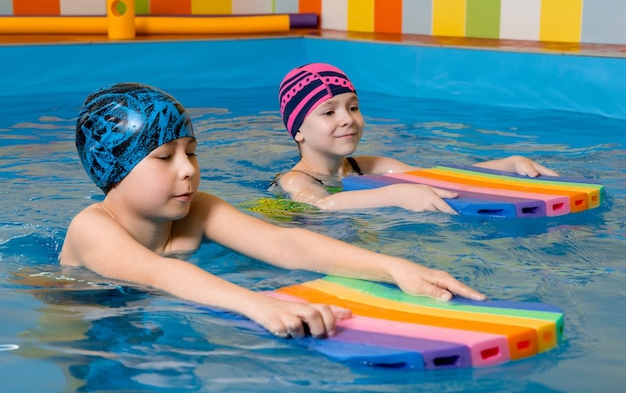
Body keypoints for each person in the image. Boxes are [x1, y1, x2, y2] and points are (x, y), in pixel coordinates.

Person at [60, 83, 486, 340]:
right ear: (113, 168)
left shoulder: (199, 210)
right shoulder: (92, 227)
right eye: (163, 157)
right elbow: (161, 274)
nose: (188, 170)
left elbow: (284, 243)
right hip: (82, 313)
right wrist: (258, 304)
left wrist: (393, 267)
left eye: (191, 153)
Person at [274, 62, 559, 212]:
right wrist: (395, 194)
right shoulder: (294, 180)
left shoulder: (371, 166)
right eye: (328, 113)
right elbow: (322, 205)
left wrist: (507, 165)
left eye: (353, 107)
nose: (347, 118)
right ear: (298, 130)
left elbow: (436, 178)